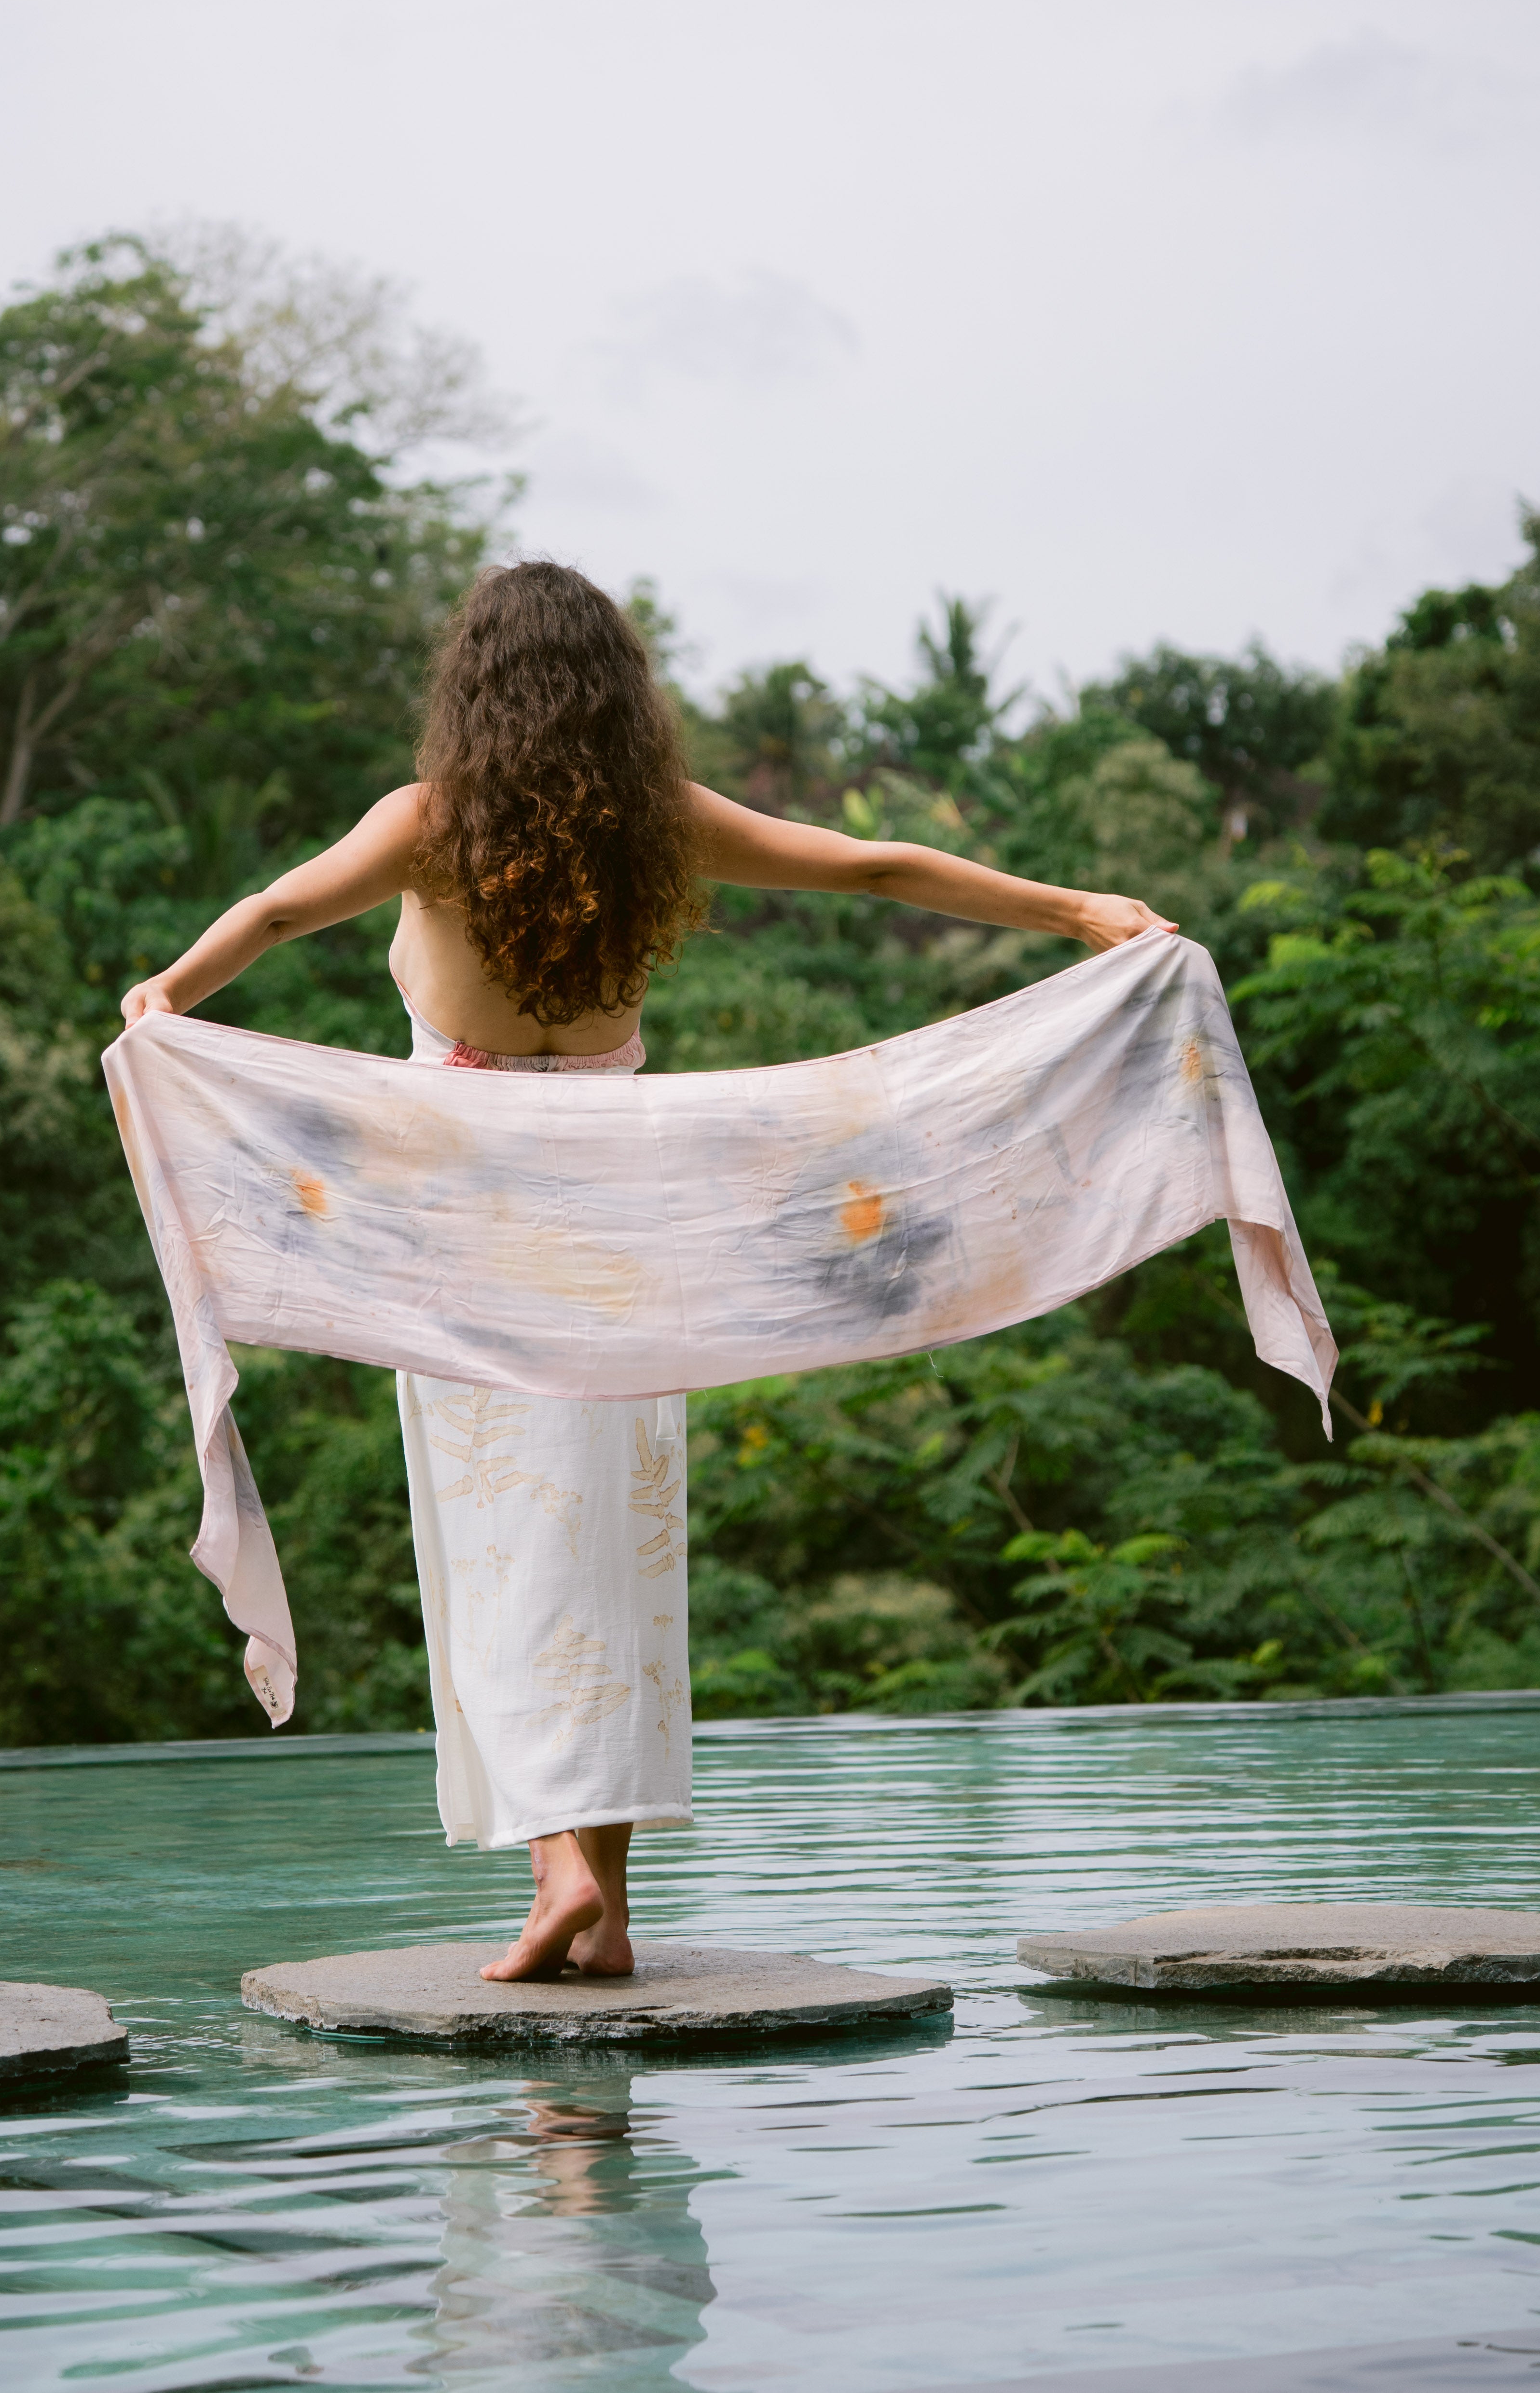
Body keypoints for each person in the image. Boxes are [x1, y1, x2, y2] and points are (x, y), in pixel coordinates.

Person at [121, 560, 1172, 1979]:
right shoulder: (654, 823)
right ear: (619, 695)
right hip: (629, 1230)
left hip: (467, 1232)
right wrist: (1074, 911)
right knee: (614, 1551)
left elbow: (274, 914)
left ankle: (561, 1877)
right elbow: (868, 865)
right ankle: (603, 1903)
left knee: (505, 1548)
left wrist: (169, 997)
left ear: (474, 690)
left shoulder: (430, 825)